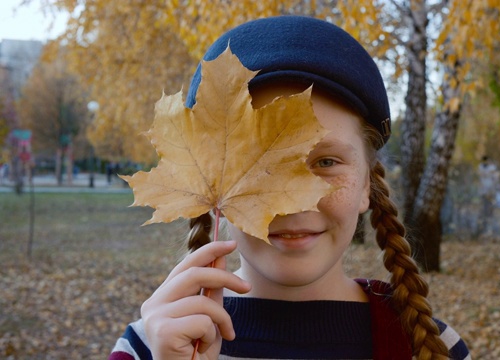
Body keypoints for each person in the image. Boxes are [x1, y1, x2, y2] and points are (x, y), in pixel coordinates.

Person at [110, 16, 470, 360]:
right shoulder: (151, 347)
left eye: (326, 162)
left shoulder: (428, 347)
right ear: (207, 179)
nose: (292, 204)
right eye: (259, 165)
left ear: (366, 185)